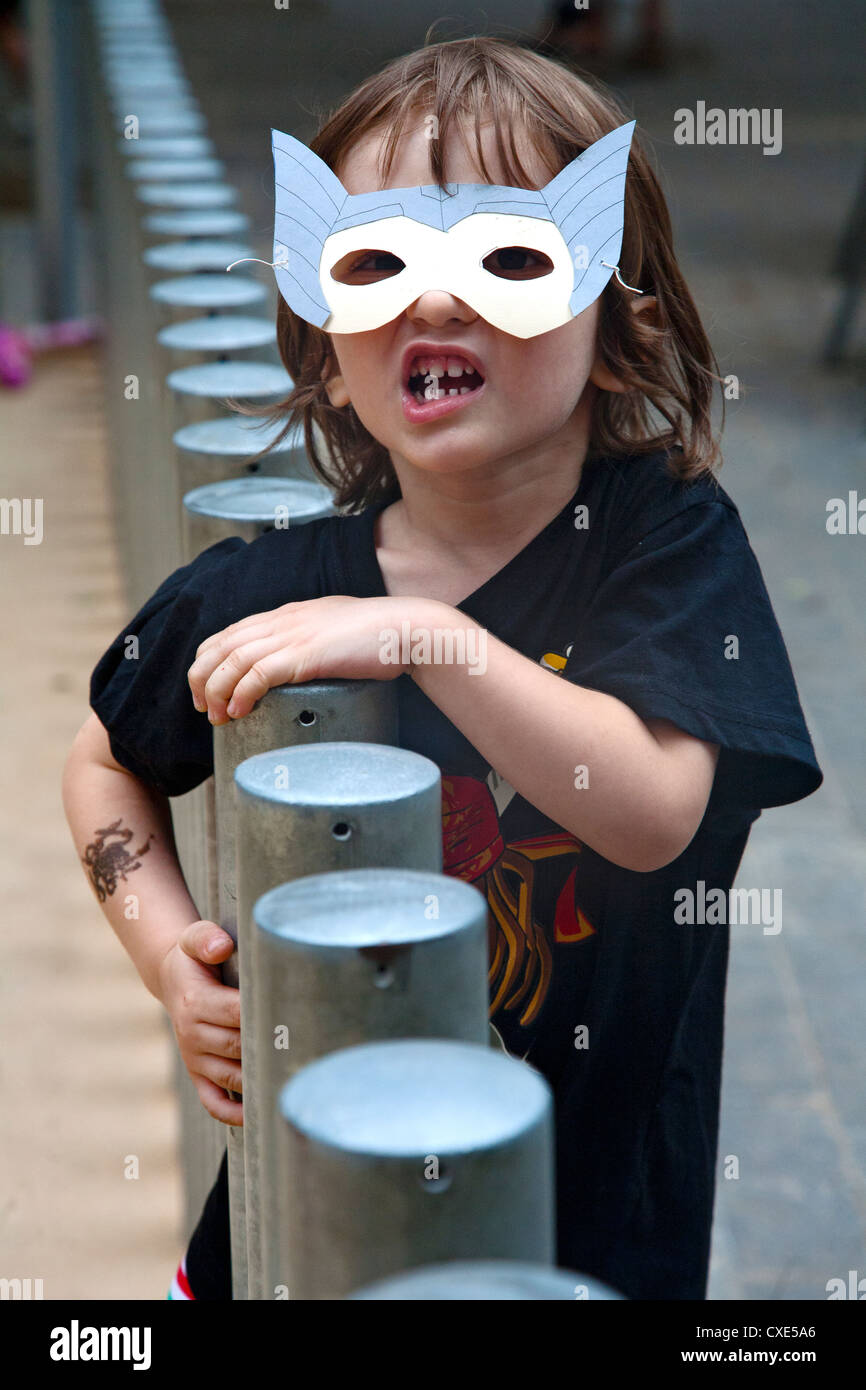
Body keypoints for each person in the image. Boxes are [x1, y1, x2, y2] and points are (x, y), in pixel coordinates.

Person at [62, 36, 822, 1302]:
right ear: (322, 327)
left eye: (508, 258)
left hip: (586, 1235)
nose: (431, 301)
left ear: (616, 315)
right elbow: (103, 755)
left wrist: (427, 640)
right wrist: (166, 955)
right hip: (304, 1231)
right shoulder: (278, 581)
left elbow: (650, 814)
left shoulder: (662, 540)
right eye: (376, 261)